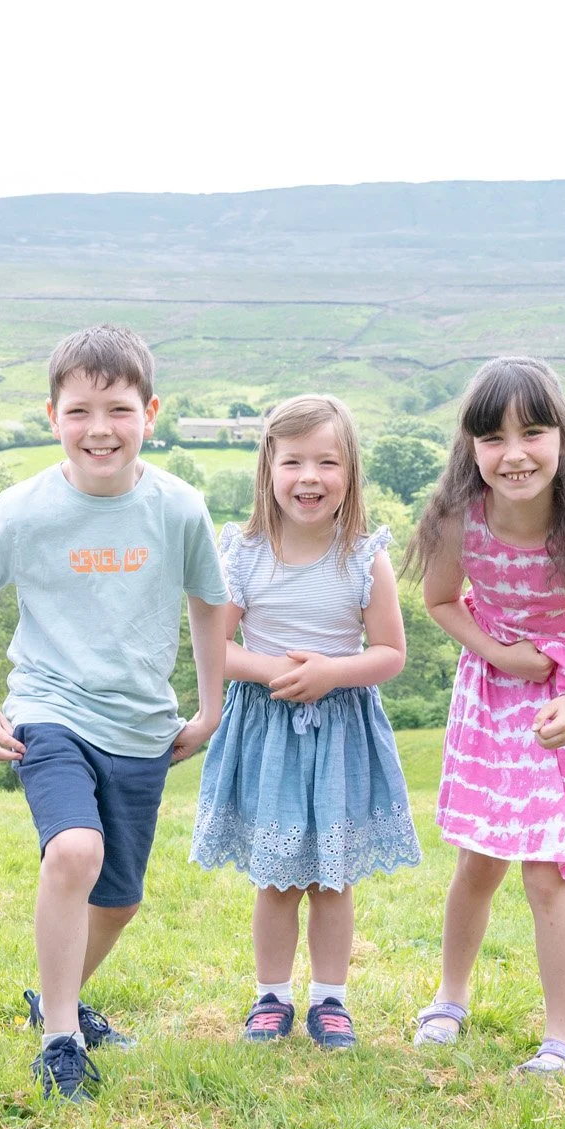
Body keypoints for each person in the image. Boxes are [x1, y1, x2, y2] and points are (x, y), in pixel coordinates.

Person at [0, 324, 229, 1102]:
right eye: (79, 411)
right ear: (51, 415)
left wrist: (211, 706)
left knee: (121, 896)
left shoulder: (178, 508)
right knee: (73, 851)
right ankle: (61, 1037)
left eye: (118, 409)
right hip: (49, 707)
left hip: (141, 724)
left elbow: (211, 601)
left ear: (151, 412)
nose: (98, 428)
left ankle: (55, 995)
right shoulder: (25, 506)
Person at [403, 356, 565, 1075]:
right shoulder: (458, 520)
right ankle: (450, 997)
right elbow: (443, 601)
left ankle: (564, 1039)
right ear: (472, 447)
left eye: (533, 432)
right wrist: (500, 653)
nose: (514, 454)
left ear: (563, 438)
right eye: (494, 438)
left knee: (549, 870)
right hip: (496, 690)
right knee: (479, 859)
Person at [189, 394, 418, 1049]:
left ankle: (331, 1000)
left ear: (351, 473)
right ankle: (271, 996)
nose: (309, 477)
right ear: (269, 468)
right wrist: (269, 671)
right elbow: (217, 647)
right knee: (277, 877)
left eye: (327, 461)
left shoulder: (363, 557)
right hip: (266, 732)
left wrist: (328, 673)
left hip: (339, 729)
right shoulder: (244, 552)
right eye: (293, 461)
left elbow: (390, 653)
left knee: (332, 877)